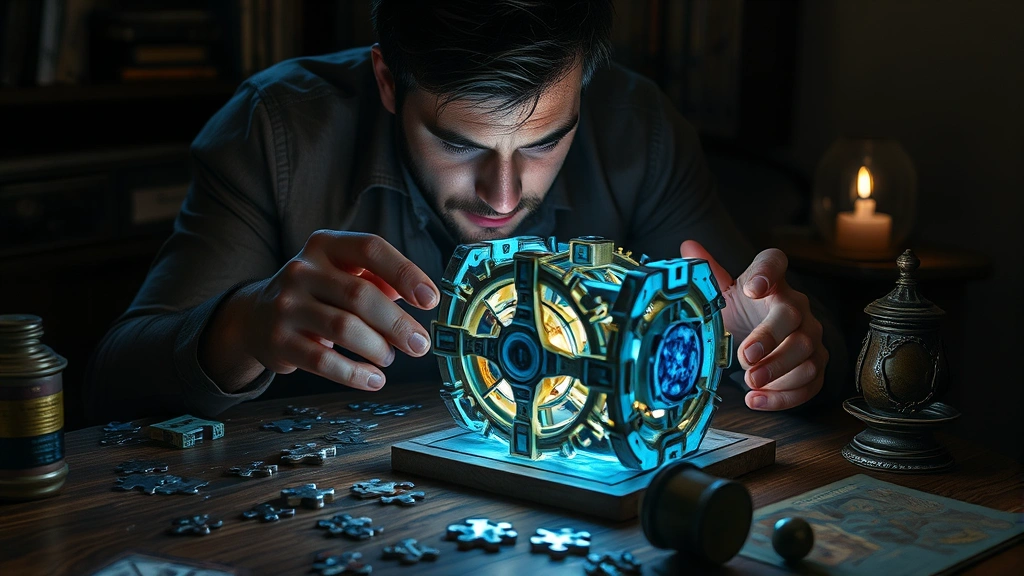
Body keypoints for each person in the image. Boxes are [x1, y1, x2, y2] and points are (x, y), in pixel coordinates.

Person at [85, 0, 844, 422]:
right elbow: (112, 384)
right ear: (387, 81)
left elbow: (767, 324)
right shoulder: (277, 131)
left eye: (546, 142)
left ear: (583, 88)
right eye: (458, 144)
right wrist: (243, 325)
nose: (504, 195)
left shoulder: (636, 127)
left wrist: (784, 352)